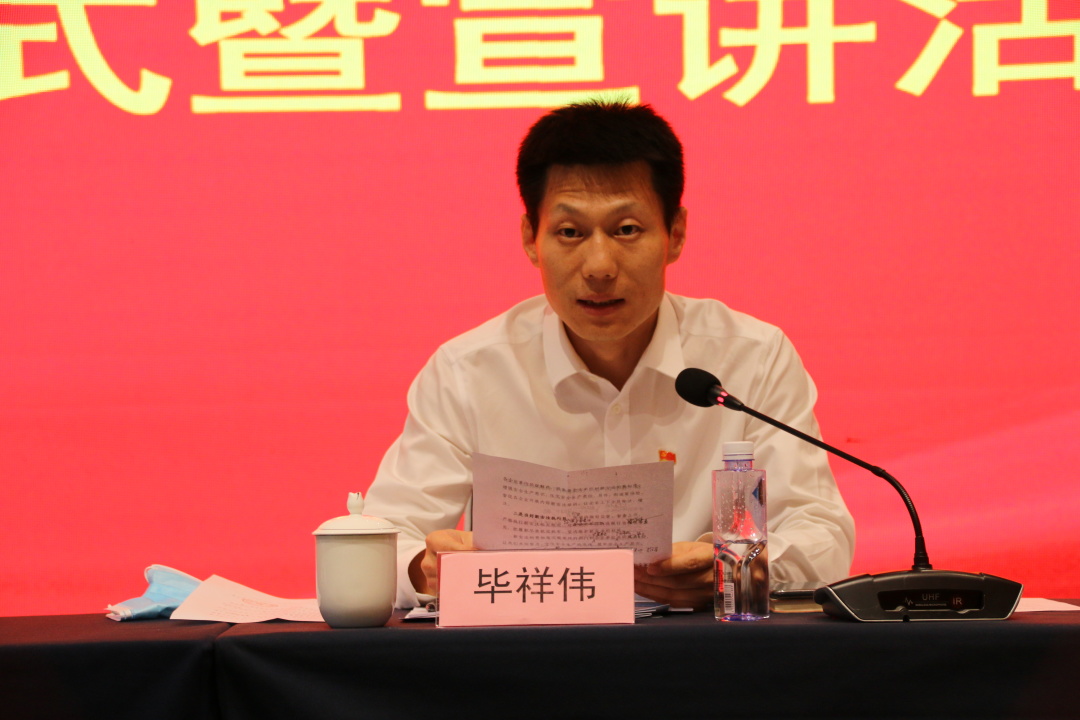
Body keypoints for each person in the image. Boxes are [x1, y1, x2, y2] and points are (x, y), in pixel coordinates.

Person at [365, 101, 854, 610]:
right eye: (570, 233)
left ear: (676, 234)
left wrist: (737, 567)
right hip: (526, 647)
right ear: (531, 239)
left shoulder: (753, 358)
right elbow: (380, 538)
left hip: (701, 650)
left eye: (626, 230)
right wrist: (422, 568)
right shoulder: (468, 371)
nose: (599, 266)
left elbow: (822, 534)